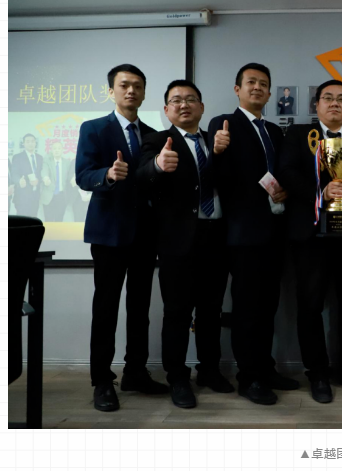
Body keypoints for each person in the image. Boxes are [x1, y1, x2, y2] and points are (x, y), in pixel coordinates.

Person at [276, 79, 342, 404]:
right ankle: (317, 373)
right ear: (317, 104)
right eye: (328, 98)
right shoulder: (298, 135)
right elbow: (286, 172)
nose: (334, 103)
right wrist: (321, 193)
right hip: (309, 237)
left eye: (341, 99)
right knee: (310, 307)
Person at [75, 64, 167, 412]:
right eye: (124, 85)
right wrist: (108, 174)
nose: (131, 91)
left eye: (138, 86)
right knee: (106, 308)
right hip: (109, 233)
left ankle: (135, 372)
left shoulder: (154, 134)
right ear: (111, 91)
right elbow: (83, 175)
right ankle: (102, 380)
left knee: (140, 308)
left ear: (144, 93)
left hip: (145, 232)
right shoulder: (94, 128)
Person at [207, 63, 298, 406]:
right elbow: (215, 177)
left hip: (275, 228)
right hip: (243, 232)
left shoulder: (274, 130)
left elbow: (281, 172)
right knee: (246, 308)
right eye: (250, 82)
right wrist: (217, 150)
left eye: (263, 84)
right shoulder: (223, 125)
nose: (257, 87)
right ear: (237, 89)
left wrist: (285, 190)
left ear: (270, 93)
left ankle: (265, 368)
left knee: (268, 305)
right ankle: (249, 377)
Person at [138, 80, 232, 409]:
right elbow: (142, 178)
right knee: (177, 312)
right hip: (178, 242)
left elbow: (229, 182)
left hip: (216, 237)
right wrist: (157, 165)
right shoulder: (156, 141)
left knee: (211, 311)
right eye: (176, 100)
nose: (184, 105)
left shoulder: (215, 141)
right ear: (166, 110)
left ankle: (209, 370)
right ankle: (177, 377)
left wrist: (219, 154)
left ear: (202, 107)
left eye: (191, 99)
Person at [11, 134, 44, 217]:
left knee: (33, 219)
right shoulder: (17, 157)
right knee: (22, 221)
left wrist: (38, 180)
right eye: (28, 141)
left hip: (35, 196)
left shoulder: (40, 158)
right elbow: (14, 173)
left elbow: (42, 174)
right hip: (22, 196)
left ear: (35, 143)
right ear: (24, 143)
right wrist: (19, 181)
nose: (30, 143)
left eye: (32, 141)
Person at [40, 142, 72, 221]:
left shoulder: (67, 163)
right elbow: (44, 171)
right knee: (48, 220)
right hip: (48, 196)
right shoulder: (47, 161)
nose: (56, 150)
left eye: (59, 148)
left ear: (62, 150)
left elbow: (70, 176)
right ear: (51, 150)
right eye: (54, 148)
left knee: (59, 220)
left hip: (62, 196)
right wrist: (45, 178)